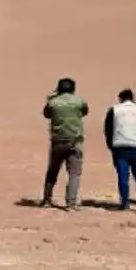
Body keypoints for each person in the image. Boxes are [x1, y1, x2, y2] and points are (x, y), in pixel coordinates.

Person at [41, 77, 89, 211]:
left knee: (52, 171)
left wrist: (50, 100)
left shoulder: (53, 102)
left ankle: (46, 199)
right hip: (75, 140)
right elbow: (84, 112)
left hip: (57, 141)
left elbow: (47, 114)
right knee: (74, 173)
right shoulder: (80, 101)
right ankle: (71, 203)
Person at [103, 88, 136, 211]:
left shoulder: (115, 109)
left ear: (120, 98)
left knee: (123, 176)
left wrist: (110, 145)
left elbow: (108, 129)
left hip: (120, 146)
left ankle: (124, 203)